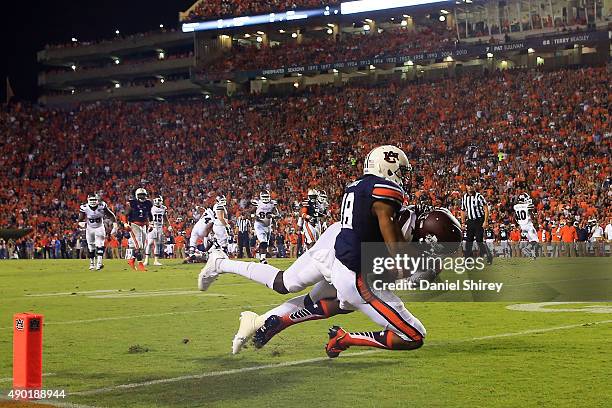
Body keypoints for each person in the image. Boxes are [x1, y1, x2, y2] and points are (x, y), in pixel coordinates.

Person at [77, 193, 118, 270]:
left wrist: (115, 225)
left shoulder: (102, 205)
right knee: (91, 247)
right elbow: (80, 218)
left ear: (97, 200)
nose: (93, 201)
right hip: (89, 228)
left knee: (100, 244)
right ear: (88, 200)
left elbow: (111, 215)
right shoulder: (84, 207)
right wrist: (80, 223)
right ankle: (92, 263)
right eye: (91, 200)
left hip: (99, 227)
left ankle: (99, 263)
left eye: (94, 200)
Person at [461, 181, 493, 264]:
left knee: (479, 240)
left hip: (479, 220)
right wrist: (463, 222)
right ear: (466, 186)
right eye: (469, 185)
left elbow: (486, 209)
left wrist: (485, 221)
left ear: (474, 186)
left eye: (472, 186)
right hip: (470, 221)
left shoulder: (479, 196)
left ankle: (488, 256)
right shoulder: (464, 197)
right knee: (468, 241)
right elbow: (463, 210)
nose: (470, 187)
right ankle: (467, 260)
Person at [125, 188, 152, 271]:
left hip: (144, 225)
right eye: (140, 195)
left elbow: (149, 215)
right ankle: (140, 264)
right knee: (138, 246)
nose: (142, 196)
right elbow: (125, 214)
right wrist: (125, 223)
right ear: (136, 195)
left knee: (143, 247)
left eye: (143, 195)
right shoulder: (132, 203)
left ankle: (132, 260)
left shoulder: (148, 203)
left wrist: (151, 223)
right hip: (134, 225)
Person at [250, 190, 279, 263]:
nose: (266, 198)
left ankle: (262, 258)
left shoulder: (272, 203)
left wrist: (273, 216)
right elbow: (250, 213)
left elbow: (278, 215)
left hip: (268, 225)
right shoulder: (258, 203)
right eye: (264, 197)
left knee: (266, 243)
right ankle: (262, 259)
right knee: (263, 241)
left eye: (267, 197)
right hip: (259, 224)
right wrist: (254, 216)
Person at [144, 195, 172, 266]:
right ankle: (146, 260)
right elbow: (146, 217)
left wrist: (169, 226)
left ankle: (156, 261)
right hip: (152, 226)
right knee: (150, 243)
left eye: (159, 200)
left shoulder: (163, 208)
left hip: (159, 227)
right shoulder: (151, 208)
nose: (159, 202)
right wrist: (148, 224)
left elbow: (165, 218)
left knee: (157, 244)